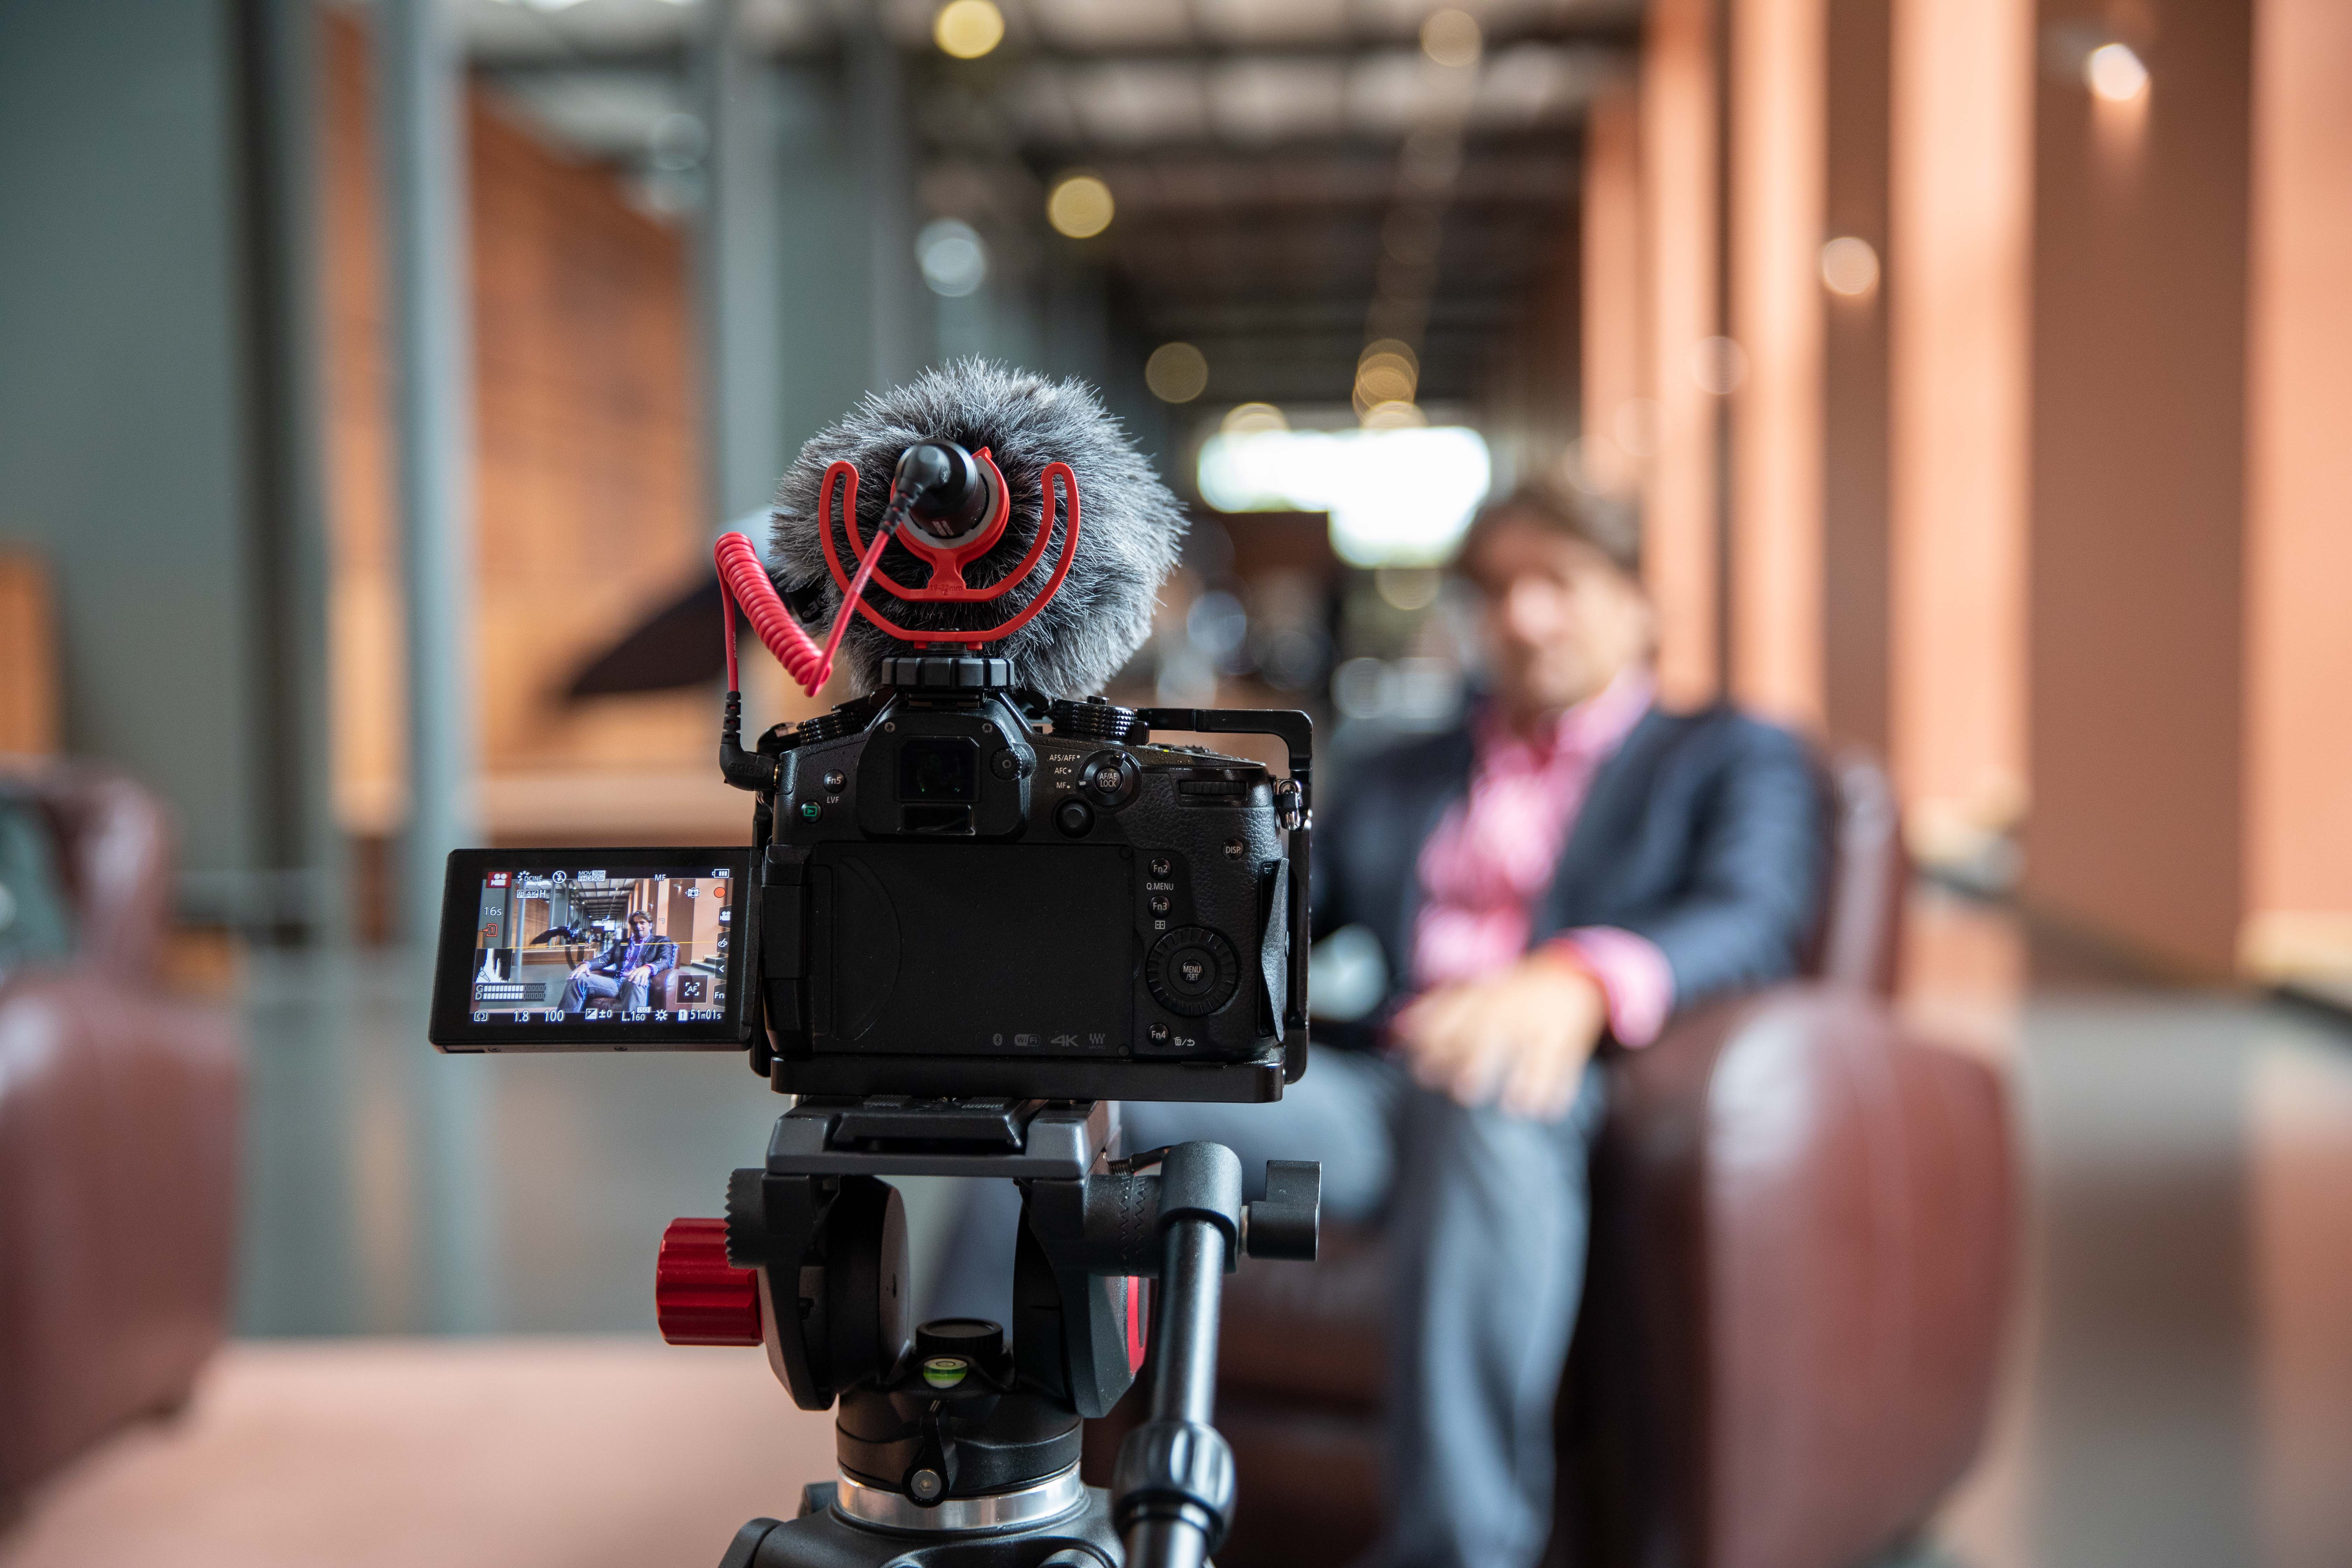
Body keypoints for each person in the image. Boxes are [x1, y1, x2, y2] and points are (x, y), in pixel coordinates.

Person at [929, 483, 1824, 1568]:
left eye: (1559, 582)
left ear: (1638, 604)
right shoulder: (1407, 766)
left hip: (1552, 1094)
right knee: (1068, 1092)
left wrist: (1575, 978)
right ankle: (963, 1484)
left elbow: (1749, 913)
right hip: (1370, 1095)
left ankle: (1457, 1549)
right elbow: (1284, 919)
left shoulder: (1727, 754)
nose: (1523, 615)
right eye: (1496, 589)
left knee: (1485, 1079)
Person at [559, 909, 676, 1013]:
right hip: (616, 983)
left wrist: (647, 968)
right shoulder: (622, 943)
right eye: (634, 924)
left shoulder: (661, 941)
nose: (638, 926)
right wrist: (586, 965)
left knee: (634, 980)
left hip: (639, 982)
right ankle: (564, 1023)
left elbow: (665, 960)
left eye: (642, 923)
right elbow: (605, 959)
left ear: (651, 925)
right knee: (577, 979)